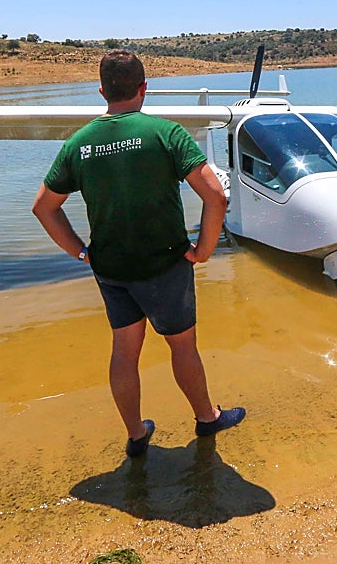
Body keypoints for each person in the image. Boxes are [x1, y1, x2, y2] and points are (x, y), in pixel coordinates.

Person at [32, 50, 244, 457]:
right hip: (165, 264)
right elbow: (215, 196)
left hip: (111, 269)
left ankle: (135, 434)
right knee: (182, 346)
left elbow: (44, 207)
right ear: (144, 88)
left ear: (101, 91)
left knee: (125, 352)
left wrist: (81, 253)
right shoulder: (166, 133)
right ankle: (206, 418)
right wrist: (203, 250)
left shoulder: (79, 144)